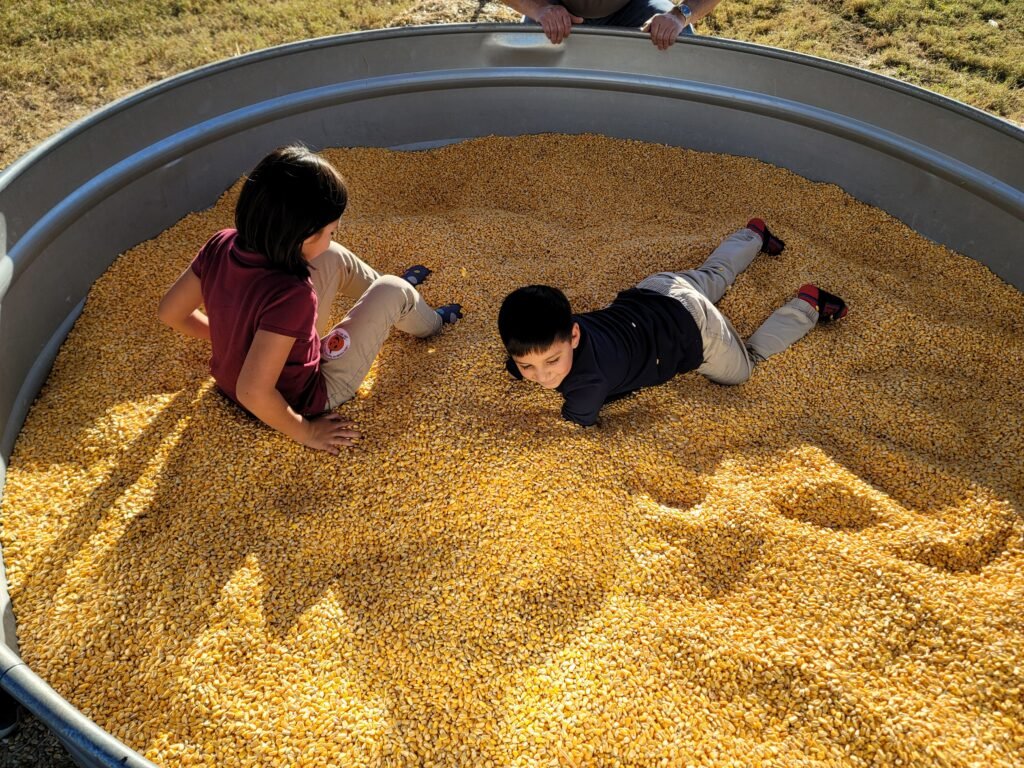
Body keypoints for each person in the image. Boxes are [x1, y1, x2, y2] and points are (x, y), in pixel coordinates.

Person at [158, 145, 463, 454]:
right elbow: (252, 392)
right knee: (393, 288)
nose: (332, 238)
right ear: (304, 236)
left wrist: (232, 336)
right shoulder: (293, 295)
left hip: (231, 381)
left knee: (331, 256)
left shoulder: (220, 243)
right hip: (298, 398)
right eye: (331, 232)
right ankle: (431, 322)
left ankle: (393, 301)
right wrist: (308, 432)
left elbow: (170, 313)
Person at [498, 219, 848, 427]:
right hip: (657, 290)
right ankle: (754, 235)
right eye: (527, 366)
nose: (544, 377)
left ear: (573, 335)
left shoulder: (587, 384)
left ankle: (808, 305)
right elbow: (527, 354)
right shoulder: (561, 326)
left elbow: (577, 425)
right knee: (715, 275)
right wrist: (521, 367)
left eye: (552, 361)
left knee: (745, 366)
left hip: (694, 330)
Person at [502, 0, 724, 49]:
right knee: (527, 54)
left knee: (680, 38)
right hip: (556, 9)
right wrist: (539, 9)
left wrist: (680, 15)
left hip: (632, 6)